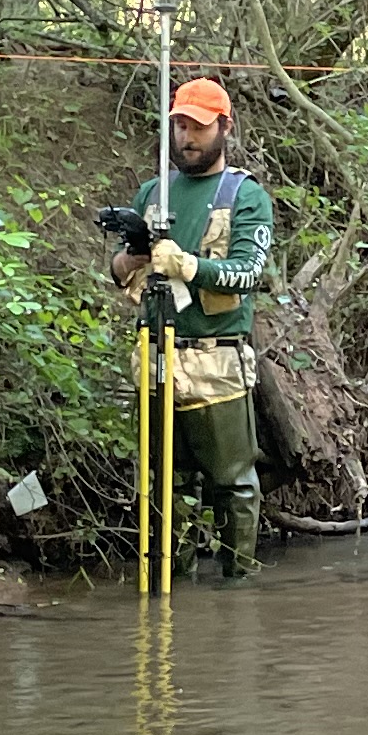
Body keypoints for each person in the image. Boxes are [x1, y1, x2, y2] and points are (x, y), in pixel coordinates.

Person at [121, 76, 275, 579]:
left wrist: (190, 267)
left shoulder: (246, 195)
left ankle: (239, 583)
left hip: (217, 359)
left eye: (199, 127)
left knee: (233, 481)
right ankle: (172, 578)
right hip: (156, 352)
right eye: (180, 125)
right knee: (165, 480)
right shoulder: (152, 192)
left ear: (224, 128)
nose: (187, 136)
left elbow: (249, 272)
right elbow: (121, 272)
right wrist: (130, 258)